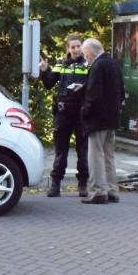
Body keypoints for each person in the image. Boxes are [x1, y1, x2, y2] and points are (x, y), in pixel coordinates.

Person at [39, 35, 90, 197]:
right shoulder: (60, 64)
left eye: (78, 46)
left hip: (82, 112)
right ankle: (55, 185)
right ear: (67, 49)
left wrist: (83, 87)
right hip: (63, 112)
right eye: (72, 47)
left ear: (82, 47)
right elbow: (48, 84)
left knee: (83, 150)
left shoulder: (88, 64)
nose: (76, 49)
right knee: (61, 150)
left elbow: (94, 86)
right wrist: (44, 70)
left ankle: (82, 185)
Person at [80, 38, 125, 204]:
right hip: (112, 118)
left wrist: (85, 111)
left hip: (98, 119)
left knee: (95, 155)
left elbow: (94, 93)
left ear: (91, 52)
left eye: (85, 55)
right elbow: (121, 90)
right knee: (108, 155)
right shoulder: (113, 64)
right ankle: (112, 190)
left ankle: (99, 190)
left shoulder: (98, 66)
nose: (85, 58)